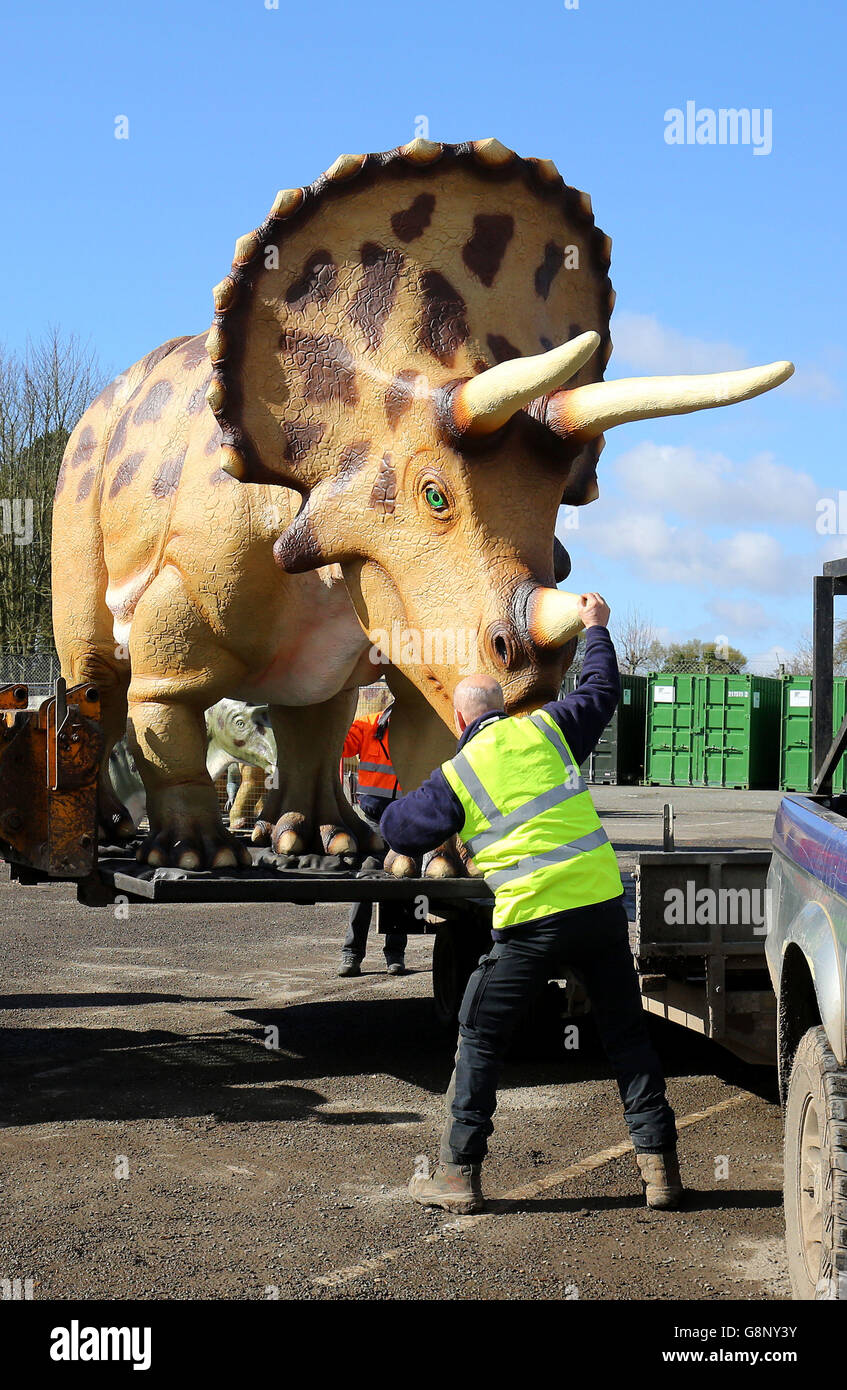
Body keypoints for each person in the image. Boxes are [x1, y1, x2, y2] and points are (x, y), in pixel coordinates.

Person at [380, 593, 682, 1215]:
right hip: (600, 910)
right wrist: (597, 629)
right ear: (505, 710)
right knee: (627, 1037)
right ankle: (661, 1174)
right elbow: (601, 690)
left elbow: (401, 832)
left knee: (480, 1033)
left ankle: (460, 1176)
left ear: (462, 723)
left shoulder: (460, 773)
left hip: (532, 926)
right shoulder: (548, 729)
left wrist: (385, 806)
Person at [338, 700, 408, 978]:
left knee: (400, 885)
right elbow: (340, 745)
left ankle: (395, 955)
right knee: (365, 885)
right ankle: (352, 954)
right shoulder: (367, 726)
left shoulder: (419, 732)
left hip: (405, 822)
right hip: (375, 822)